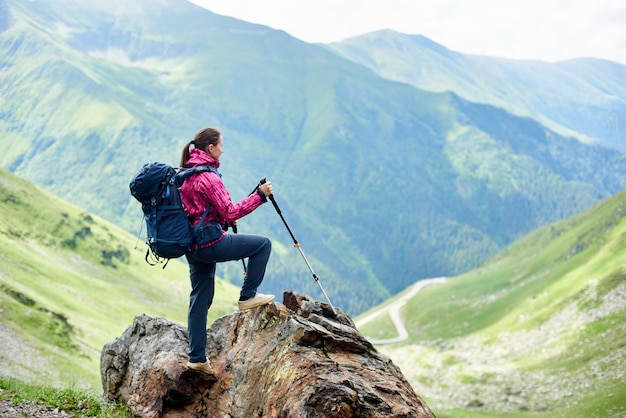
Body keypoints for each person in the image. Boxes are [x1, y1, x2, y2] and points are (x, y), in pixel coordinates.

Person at [179, 127, 275, 375]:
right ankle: (247, 296)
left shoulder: (186, 173)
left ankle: (197, 358)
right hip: (210, 244)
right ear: (210, 148)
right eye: (221, 145)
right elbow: (231, 211)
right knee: (263, 244)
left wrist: (221, 221)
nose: (223, 149)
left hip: (192, 246)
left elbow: (196, 211)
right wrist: (260, 196)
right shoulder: (209, 177)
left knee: (200, 299)